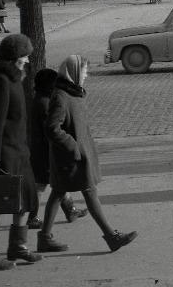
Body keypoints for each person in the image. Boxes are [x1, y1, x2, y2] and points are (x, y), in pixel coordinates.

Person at [37, 55, 137, 254]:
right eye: (84, 71)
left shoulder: (73, 93)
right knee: (88, 192)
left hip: (76, 156)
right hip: (70, 157)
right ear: (73, 72)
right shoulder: (62, 96)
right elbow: (52, 128)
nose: (86, 75)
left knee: (58, 193)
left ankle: (45, 238)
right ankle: (111, 236)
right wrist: (73, 147)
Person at [0, 33, 41, 270]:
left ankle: (18, 246)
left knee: (25, 200)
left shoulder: (15, 79)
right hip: (2, 155)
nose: (27, 61)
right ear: (14, 58)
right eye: (24, 57)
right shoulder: (1, 81)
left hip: (19, 152)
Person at [26, 68, 87, 230]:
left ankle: (71, 210)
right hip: (44, 151)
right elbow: (51, 130)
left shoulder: (39, 99)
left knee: (56, 183)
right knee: (43, 185)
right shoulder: (45, 103)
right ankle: (33, 217)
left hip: (40, 149)